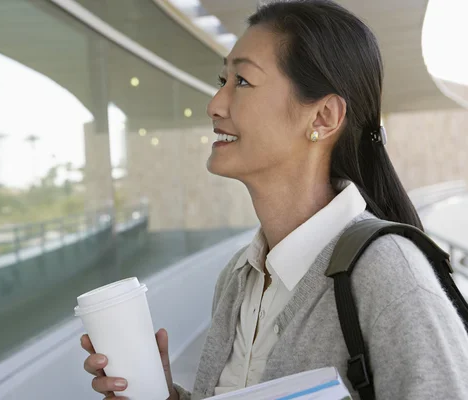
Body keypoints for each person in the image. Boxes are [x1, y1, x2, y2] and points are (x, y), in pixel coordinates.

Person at [81, 1, 468, 399]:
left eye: (243, 82)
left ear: (322, 118)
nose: (215, 104)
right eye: (222, 80)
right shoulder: (239, 277)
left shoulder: (389, 274)